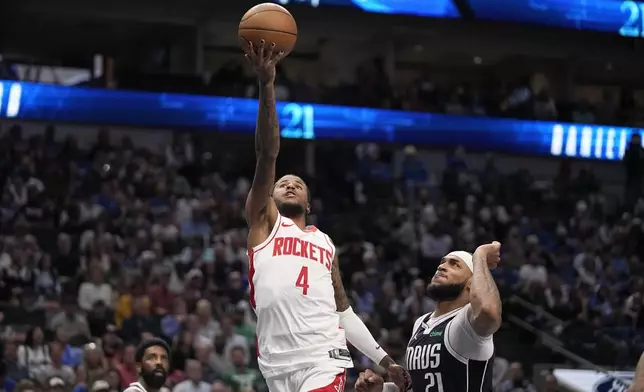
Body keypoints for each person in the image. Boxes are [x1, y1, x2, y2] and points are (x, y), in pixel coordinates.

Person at [242, 39, 409, 392]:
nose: (289, 185)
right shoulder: (264, 223)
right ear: (267, 196)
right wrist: (267, 83)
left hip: (323, 357)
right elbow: (267, 153)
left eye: (298, 184)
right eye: (282, 183)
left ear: (310, 203)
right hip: (275, 363)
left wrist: (385, 360)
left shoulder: (325, 243)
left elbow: (343, 311)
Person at [355, 244, 502, 392]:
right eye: (442, 262)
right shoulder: (421, 323)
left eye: (454, 264)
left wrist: (480, 255)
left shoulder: (467, 321)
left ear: (471, 284)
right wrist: (383, 390)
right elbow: (422, 386)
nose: (442, 266)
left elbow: (488, 310)